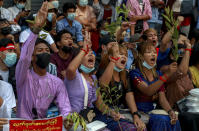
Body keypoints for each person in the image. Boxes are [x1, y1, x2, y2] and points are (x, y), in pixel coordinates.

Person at [15, 4, 72, 130]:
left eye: (47, 50)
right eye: (40, 50)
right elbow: (24, 58)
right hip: (23, 127)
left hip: (43, 126)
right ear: (33, 56)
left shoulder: (56, 82)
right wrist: (35, 30)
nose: (45, 52)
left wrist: (67, 118)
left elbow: (65, 106)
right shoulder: (23, 76)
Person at [64, 36, 137, 131]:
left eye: (92, 53)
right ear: (78, 59)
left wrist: (112, 113)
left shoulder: (93, 78)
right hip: (72, 121)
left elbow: (99, 103)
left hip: (89, 120)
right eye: (87, 53)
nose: (91, 54)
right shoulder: (73, 76)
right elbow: (70, 69)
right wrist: (83, 49)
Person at [128, 42, 181, 130]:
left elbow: (162, 98)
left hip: (152, 111)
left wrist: (170, 111)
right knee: (162, 120)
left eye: (154, 52)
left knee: (174, 119)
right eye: (149, 52)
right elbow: (148, 91)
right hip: (139, 112)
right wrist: (166, 75)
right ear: (141, 56)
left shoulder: (158, 74)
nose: (153, 54)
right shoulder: (135, 73)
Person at [98, 43, 146, 130]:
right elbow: (103, 85)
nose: (124, 56)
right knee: (131, 129)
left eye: (126, 55)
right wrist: (113, 60)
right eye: (120, 54)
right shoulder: (103, 71)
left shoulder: (125, 74)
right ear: (110, 57)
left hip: (120, 112)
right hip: (105, 114)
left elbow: (129, 96)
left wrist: (135, 116)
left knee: (141, 127)